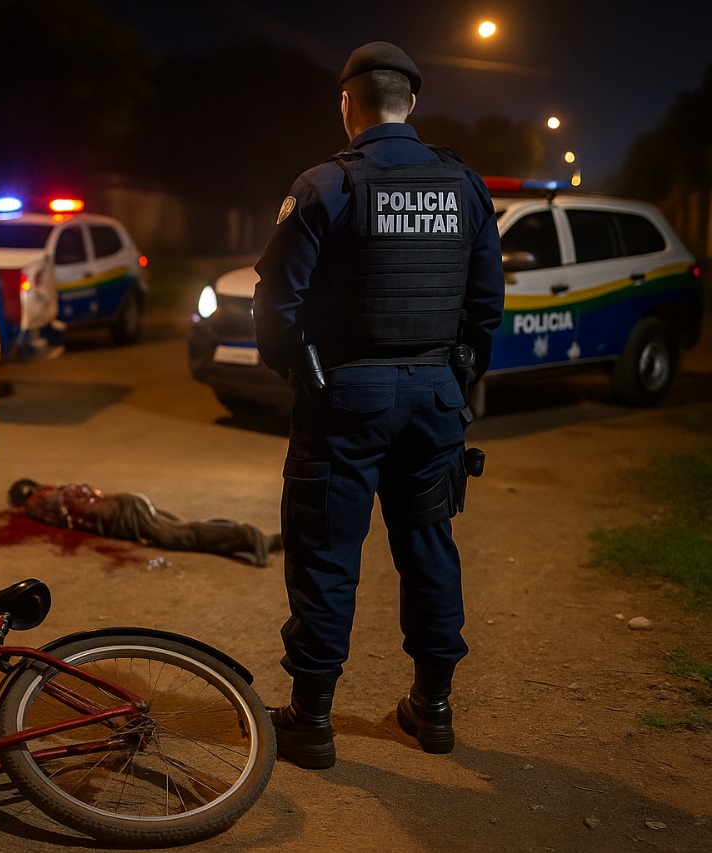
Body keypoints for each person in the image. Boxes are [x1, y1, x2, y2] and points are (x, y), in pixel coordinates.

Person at [252, 41, 504, 769]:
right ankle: (433, 708)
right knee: (429, 546)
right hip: (432, 398)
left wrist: (304, 376)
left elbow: (277, 308)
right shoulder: (464, 186)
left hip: (346, 400)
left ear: (347, 104)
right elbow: (487, 305)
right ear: (412, 104)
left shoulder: (326, 184)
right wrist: (455, 378)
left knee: (327, 552)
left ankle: (312, 720)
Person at [8, 479, 282, 567]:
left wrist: (25, 509)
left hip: (121, 516)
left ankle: (253, 538)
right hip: (126, 503)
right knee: (185, 529)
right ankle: (250, 539)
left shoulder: (37, 502)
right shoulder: (58, 489)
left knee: (179, 536)